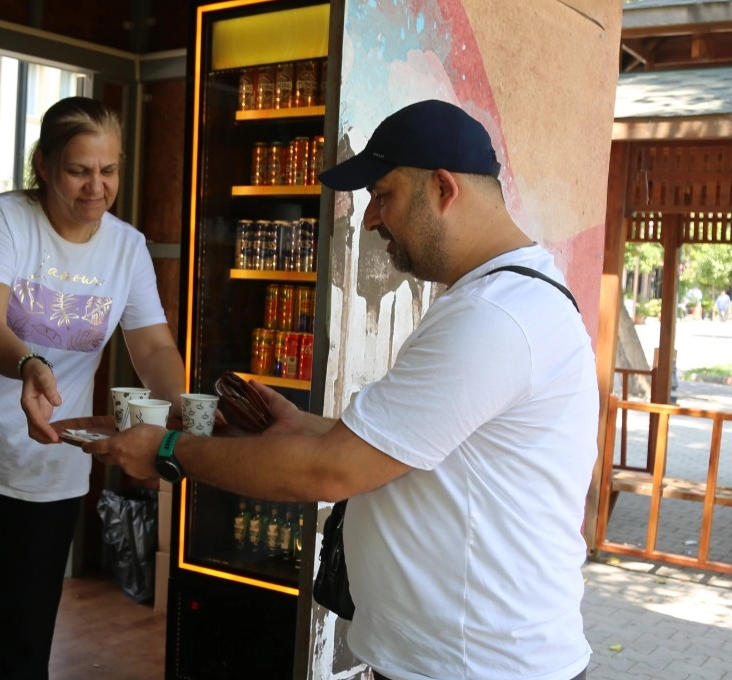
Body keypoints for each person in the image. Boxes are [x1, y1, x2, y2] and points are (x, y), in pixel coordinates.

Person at [55, 99, 598, 680]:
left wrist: (167, 451)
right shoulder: (507, 298)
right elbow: (425, 453)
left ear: (443, 188)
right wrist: (306, 430)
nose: (371, 220)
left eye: (382, 195)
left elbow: (328, 473)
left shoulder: (493, 317)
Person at [0, 96, 185, 680]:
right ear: (44, 165)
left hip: (47, 464)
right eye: (79, 170)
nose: (96, 186)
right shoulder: (4, 218)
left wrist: (179, 412)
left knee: (24, 647)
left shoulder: (127, 249)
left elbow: (152, 347)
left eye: (109, 170)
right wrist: (29, 365)